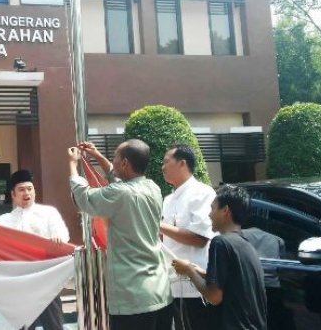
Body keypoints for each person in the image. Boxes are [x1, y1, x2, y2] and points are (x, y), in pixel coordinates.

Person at [68, 140, 173, 330]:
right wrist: (98, 156)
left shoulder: (120, 193)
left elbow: (83, 198)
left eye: (115, 157)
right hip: (160, 290)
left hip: (132, 296)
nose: (113, 161)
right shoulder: (152, 187)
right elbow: (120, 181)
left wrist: (72, 166)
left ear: (124, 163)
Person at [0, 169, 70, 330]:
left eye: (30, 188)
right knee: (25, 327)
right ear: (13, 194)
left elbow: (63, 236)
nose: (27, 193)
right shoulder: (4, 221)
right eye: (22, 189)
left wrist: (57, 239)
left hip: (46, 282)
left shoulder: (48, 213)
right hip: (20, 284)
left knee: (54, 326)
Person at [172, 185, 267, 330]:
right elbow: (233, 283)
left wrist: (189, 271)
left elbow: (214, 297)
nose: (209, 215)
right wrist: (202, 273)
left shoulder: (220, 242)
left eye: (212, 208)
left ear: (225, 211)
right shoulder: (245, 244)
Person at [160, 144, 215, 330]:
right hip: (172, 285)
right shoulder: (168, 199)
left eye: (166, 162)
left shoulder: (202, 193)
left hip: (196, 288)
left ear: (182, 163)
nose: (162, 167)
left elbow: (200, 238)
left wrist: (155, 224)